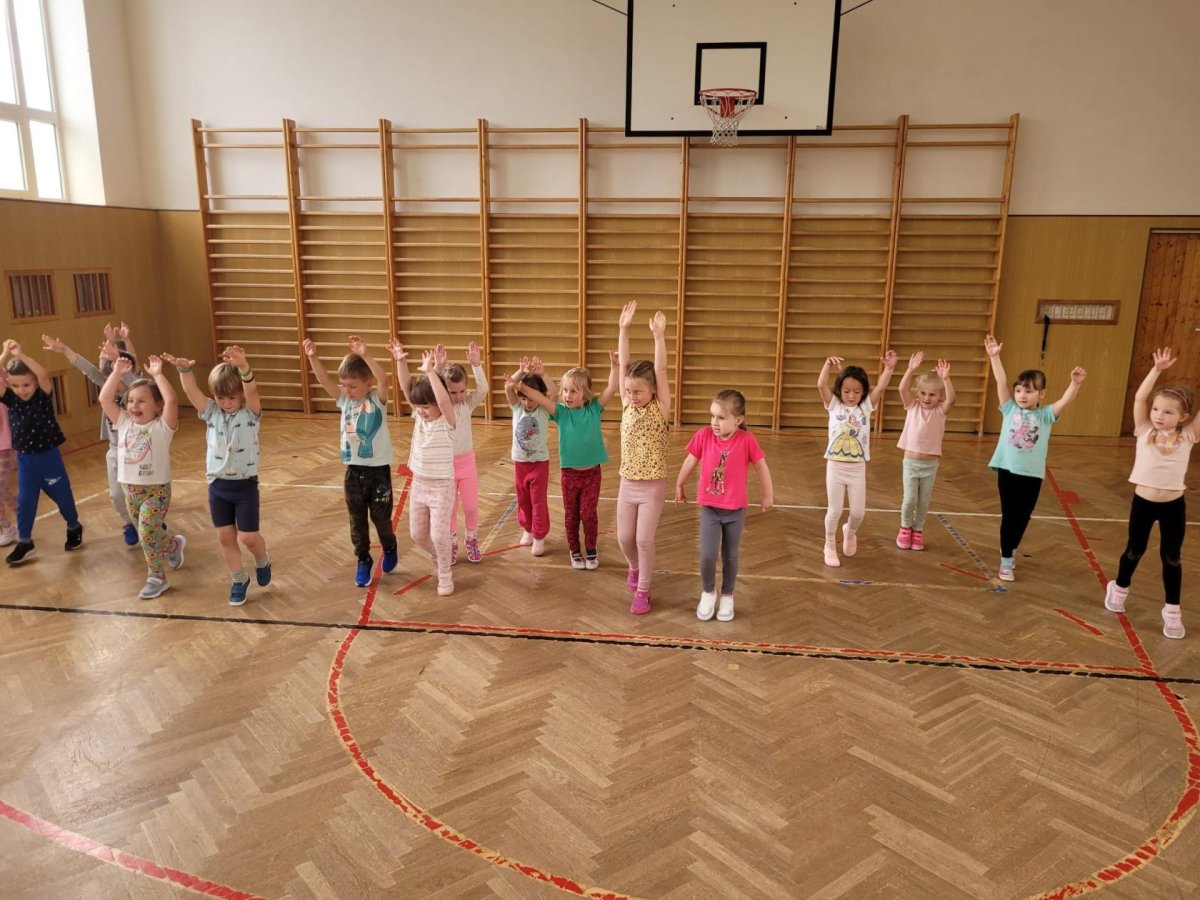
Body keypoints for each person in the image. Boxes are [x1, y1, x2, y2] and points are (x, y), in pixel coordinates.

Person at [165, 346, 271, 606]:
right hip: (218, 486)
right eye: (221, 398)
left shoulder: (250, 413)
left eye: (232, 397)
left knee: (248, 537)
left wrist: (244, 366)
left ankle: (262, 560)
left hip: (245, 487)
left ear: (240, 396)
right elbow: (192, 392)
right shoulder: (212, 412)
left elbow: (252, 390)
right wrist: (184, 371)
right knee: (225, 537)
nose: (226, 403)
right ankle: (238, 579)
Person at [1104, 347, 1193, 639]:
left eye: (1168, 412)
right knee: (1134, 550)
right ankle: (1119, 589)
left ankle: (1172, 612)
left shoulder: (1188, 435)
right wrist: (1157, 369)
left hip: (1173, 506)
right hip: (1143, 503)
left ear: (1183, 417)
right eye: (1156, 409)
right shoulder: (1144, 431)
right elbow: (1140, 398)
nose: (1159, 416)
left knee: (1172, 558)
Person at [984, 334, 1086, 582]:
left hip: (1032, 475)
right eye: (1019, 390)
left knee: (1023, 516)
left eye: (1028, 391)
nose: (1022, 395)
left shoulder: (1046, 416)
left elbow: (1065, 401)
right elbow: (1000, 381)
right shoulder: (1009, 408)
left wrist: (1075, 384)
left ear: (1041, 394)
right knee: (1009, 515)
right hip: (1007, 470)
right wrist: (994, 357)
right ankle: (1006, 560)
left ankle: (1011, 546)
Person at [509, 354, 620, 569]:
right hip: (569, 475)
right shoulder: (560, 412)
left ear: (585, 394)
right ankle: (574, 550)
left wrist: (614, 366)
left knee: (588, 513)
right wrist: (520, 386)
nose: (568, 395)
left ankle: (591, 548)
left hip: (592, 474)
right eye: (565, 390)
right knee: (571, 516)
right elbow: (540, 398)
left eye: (573, 391)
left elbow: (612, 388)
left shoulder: (594, 408)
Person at [304, 336, 398, 588]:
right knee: (357, 521)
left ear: (368, 383)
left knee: (381, 519)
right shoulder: (344, 400)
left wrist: (366, 355)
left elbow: (385, 380)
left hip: (378, 472)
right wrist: (313, 358)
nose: (347, 390)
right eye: (344, 385)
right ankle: (363, 559)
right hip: (353, 472)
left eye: (353, 386)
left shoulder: (377, 400)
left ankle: (389, 545)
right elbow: (324, 380)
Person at [42, 324, 145, 546]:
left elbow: (134, 372)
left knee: (141, 492)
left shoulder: (136, 389)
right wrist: (65, 349)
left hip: (139, 450)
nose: (113, 382)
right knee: (116, 495)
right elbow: (88, 369)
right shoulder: (107, 385)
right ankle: (129, 522)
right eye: (109, 377)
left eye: (118, 376)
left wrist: (123, 345)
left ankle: (149, 521)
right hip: (116, 450)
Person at [675, 390, 773, 621]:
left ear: (738, 420)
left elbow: (761, 466)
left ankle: (728, 595)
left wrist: (768, 494)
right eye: (712, 416)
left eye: (720, 417)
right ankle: (708, 592)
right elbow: (690, 460)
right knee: (708, 555)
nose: (714, 422)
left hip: (735, 510)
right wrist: (679, 484)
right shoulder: (704, 436)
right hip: (710, 509)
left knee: (730, 555)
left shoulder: (747, 440)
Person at [99, 354, 184, 598]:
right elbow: (104, 399)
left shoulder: (162, 427)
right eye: (131, 401)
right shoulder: (123, 423)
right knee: (150, 533)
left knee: (147, 534)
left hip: (156, 491)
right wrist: (116, 372)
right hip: (130, 491)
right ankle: (173, 545)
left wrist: (158, 375)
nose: (134, 406)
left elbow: (172, 400)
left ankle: (157, 577)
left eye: (142, 401)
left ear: (157, 406)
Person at [0, 340, 82, 565]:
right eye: (16, 386)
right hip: (25, 461)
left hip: (49, 459)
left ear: (35, 382)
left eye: (26, 384)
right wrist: (5, 354)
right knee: (25, 502)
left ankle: (73, 526)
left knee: (63, 498)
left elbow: (43, 374)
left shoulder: (42, 396)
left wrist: (21, 355)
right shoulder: (11, 399)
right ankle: (25, 541)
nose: (21, 390)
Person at [615, 301, 671, 615]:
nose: (632, 396)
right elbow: (624, 364)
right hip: (627, 482)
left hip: (652, 486)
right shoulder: (626, 405)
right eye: (629, 391)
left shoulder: (660, 408)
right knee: (625, 538)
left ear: (652, 390)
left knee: (644, 539)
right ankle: (634, 567)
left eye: (638, 392)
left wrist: (658, 337)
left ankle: (644, 591)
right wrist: (623, 329)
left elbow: (661, 370)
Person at [817, 351, 897, 567]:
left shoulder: (865, 407)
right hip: (835, 466)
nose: (851, 396)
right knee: (834, 510)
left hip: (857, 468)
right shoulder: (834, 405)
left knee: (858, 513)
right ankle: (829, 545)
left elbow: (881, 388)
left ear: (863, 392)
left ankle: (850, 531)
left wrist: (889, 368)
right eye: (846, 391)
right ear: (839, 390)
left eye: (856, 391)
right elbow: (821, 385)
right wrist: (827, 365)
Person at [391, 341, 457, 596]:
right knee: (418, 534)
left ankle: (445, 572)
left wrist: (431, 372)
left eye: (426, 406)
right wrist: (400, 361)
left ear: (437, 404)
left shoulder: (447, 421)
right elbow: (406, 389)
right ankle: (439, 556)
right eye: (418, 407)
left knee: (440, 535)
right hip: (419, 483)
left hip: (442, 486)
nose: (420, 411)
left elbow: (444, 401)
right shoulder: (419, 418)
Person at [895, 352, 956, 550]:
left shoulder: (940, 411)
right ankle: (905, 528)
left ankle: (918, 530)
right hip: (911, 463)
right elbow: (902, 388)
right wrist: (910, 369)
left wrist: (946, 379)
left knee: (923, 502)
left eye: (932, 394)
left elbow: (952, 400)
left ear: (939, 396)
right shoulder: (912, 406)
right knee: (909, 500)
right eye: (923, 393)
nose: (927, 398)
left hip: (930, 466)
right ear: (917, 393)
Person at [437, 342, 488, 564]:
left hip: (466, 463)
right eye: (452, 392)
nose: (458, 396)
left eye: (462, 391)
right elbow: (431, 390)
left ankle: (471, 539)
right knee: (449, 509)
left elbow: (483, 390)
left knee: (471, 506)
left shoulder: (467, 404)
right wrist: (438, 368)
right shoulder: (439, 407)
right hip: (446, 466)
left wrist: (476, 365)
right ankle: (451, 542)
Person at [504, 356, 556, 557]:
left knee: (537, 500)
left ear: (540, 396)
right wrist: (520, 372)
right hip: (520, 463)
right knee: (523, 499)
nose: (526, 402)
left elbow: (554, 394)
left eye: (530, 398)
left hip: (539, 463)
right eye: (523, 397)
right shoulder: (517, 407)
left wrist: (543, 375)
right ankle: (527, 528)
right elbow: (509, 388)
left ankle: (539, 535)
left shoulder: (543, 411)